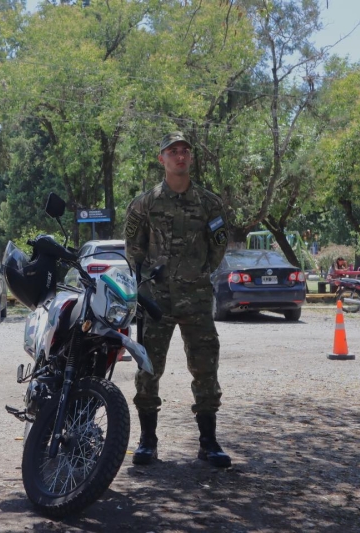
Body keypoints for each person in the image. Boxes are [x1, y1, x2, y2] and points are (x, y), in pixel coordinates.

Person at [124, 131, 232, 468]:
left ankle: (209, 442)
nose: (180, 156)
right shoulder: (145, 203)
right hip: (156, 299)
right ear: (162, 159)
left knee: (205, 366)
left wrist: (198, 274)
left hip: (196, 299)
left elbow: (218, 246)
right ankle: (148, 441)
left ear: (191, 157)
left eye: (185, 151)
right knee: (148, 367)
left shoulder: (209, 203)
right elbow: (134, 249)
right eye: (173, 151)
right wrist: (147, 283)